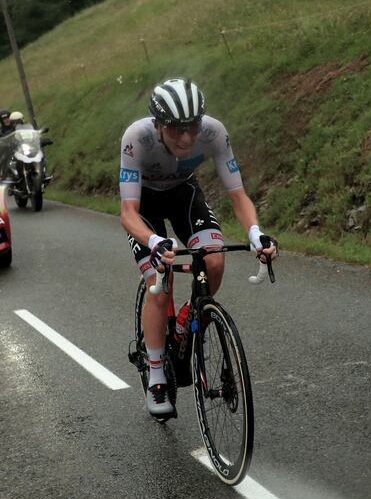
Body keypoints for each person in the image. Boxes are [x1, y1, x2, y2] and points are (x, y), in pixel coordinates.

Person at [119, 78, 278, 417]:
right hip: (144, 203)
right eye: (176, 129)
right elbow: (128, 213)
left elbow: (238, 195)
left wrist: (255, 233)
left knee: (215, 261)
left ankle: (183, 323)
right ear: (159, 125)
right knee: (160, 287)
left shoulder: (214, 133)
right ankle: (158, 376)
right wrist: (154, 241)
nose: (187, 137)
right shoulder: (137, 139)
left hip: (182, 195)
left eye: (192, 126)